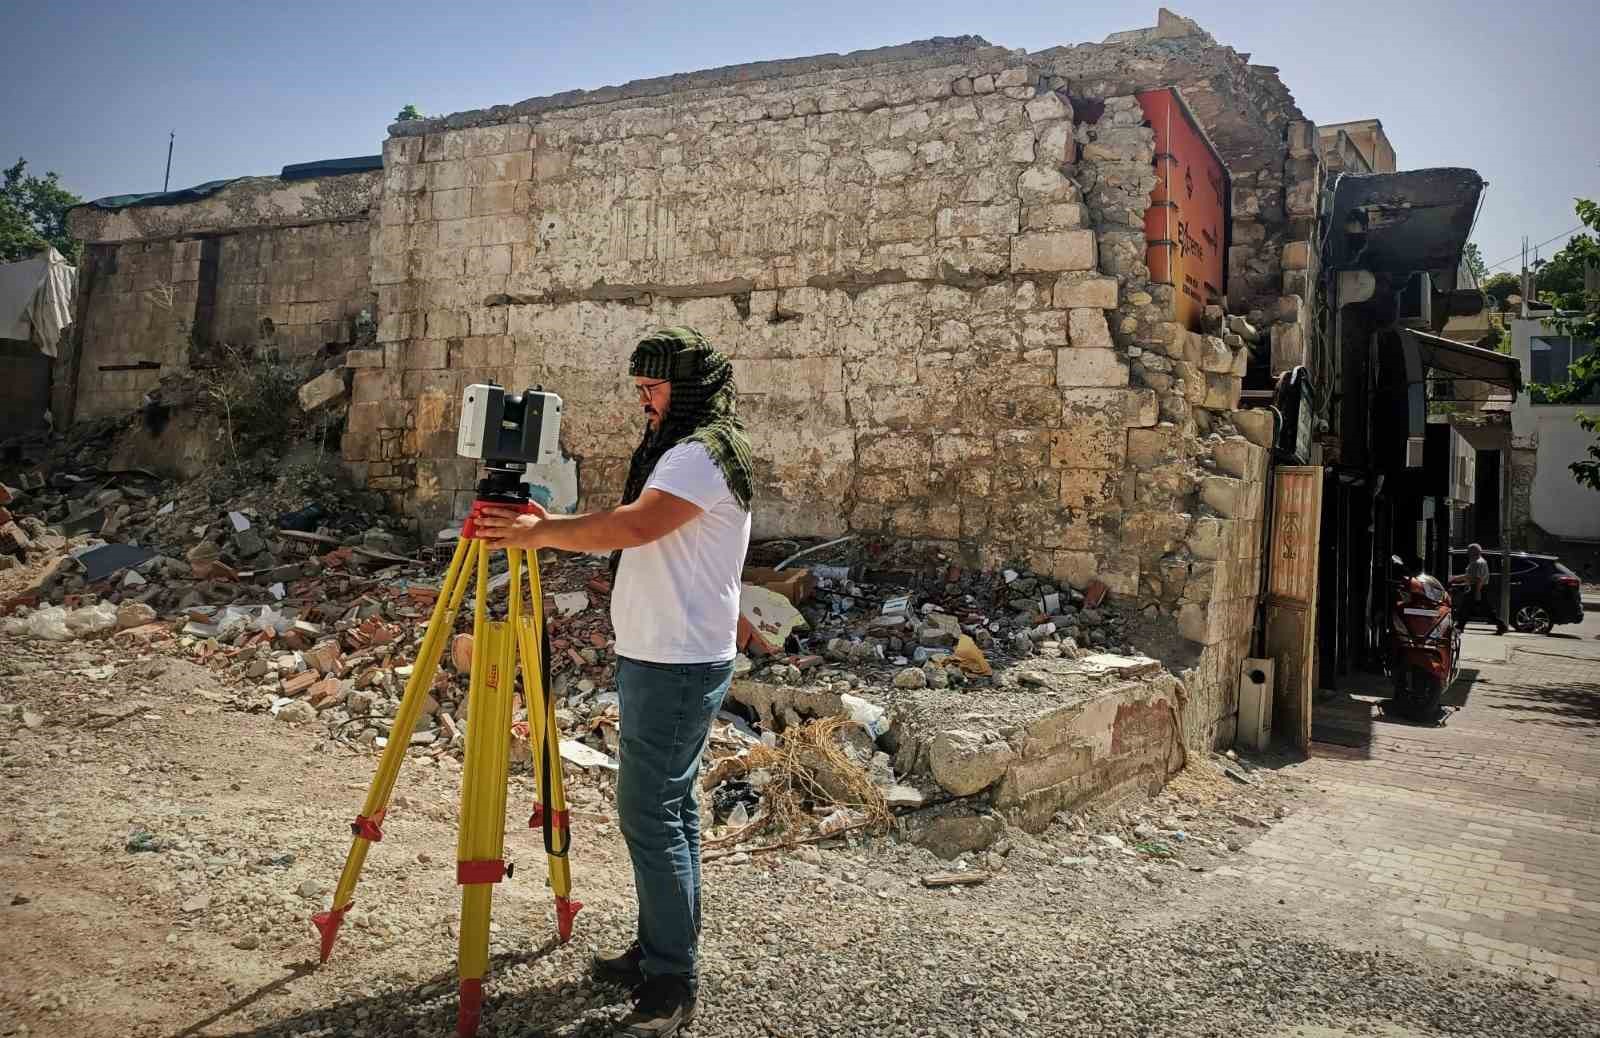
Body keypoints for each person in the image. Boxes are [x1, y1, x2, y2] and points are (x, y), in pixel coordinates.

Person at [475, 327, 754, 1038]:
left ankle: (670, 983)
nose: (645, 403)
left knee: (649, 815)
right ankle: (664, 950)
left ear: (687, 388)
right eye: (641, 389)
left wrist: (540, 531)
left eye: (654, 389)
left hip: (677, 659)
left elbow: (633, 528)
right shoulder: (687, 448)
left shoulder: (698, 456)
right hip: (664, 652)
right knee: (673, 813)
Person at [1456, 543, 1508, 635]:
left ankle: (1502, 625)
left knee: (1472, 608)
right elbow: (1469, 576)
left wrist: (1477, 592)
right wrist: (1456, 579)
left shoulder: (1478, 562)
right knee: (1468, 608)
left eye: (1469, 550)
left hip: (1477, 587)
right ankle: (1460, 626)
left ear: (1475, 552)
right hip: (1476, 587)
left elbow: (1478, 579)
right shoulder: (1476, 562)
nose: (1467, 552)